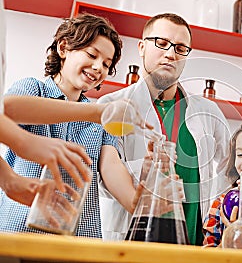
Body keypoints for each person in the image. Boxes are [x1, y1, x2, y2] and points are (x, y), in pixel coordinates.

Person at [0, 13, 143, 239]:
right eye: (92, 54)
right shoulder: (34, 89)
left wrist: (143, 206)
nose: (98, 67)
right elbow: (5, 110)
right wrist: (96, 112)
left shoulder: (102, 118)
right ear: (64, 48)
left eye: (106, 64)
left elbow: (110, 167)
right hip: (20, 231)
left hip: (78, 237)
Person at [97, 13, 230, 244]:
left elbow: (232, 171)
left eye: (180, 48)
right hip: (131, 243)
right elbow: (103, 178)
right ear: (141, 47)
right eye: (161, 43)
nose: (170, 54)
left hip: (193, 245)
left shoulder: (209, 112)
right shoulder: (109, 106)